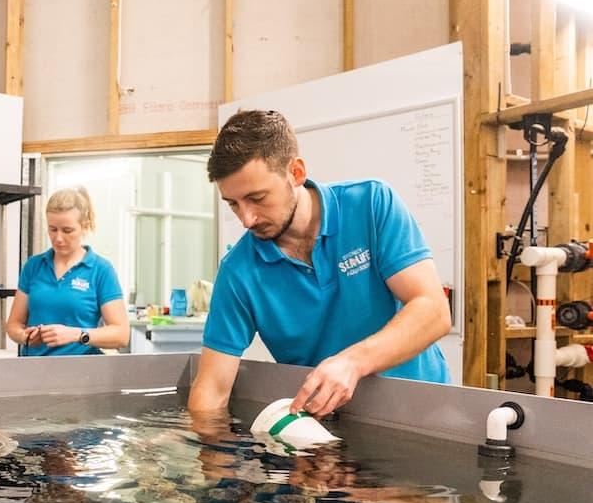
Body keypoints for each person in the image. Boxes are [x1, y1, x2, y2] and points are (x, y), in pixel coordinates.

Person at [189, 109, 451, 421]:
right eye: (233, 204)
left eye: (257, 198)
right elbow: (212, 389)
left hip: (427, 414)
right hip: (328, 428)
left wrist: (353, 362)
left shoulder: (372, 205)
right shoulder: (238, 272)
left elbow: (433, 311)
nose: (246, 219)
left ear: (296, 173)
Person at [6, 187, 129, 355]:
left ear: (84, 226)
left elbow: (121, 335)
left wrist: (78, 335)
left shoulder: (101, 270)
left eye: (67, 230)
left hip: (81, 374)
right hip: (35, 372)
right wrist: (24, 336)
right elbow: (14, 324)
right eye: (53, 229)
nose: (58, 238)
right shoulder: (33, 266)